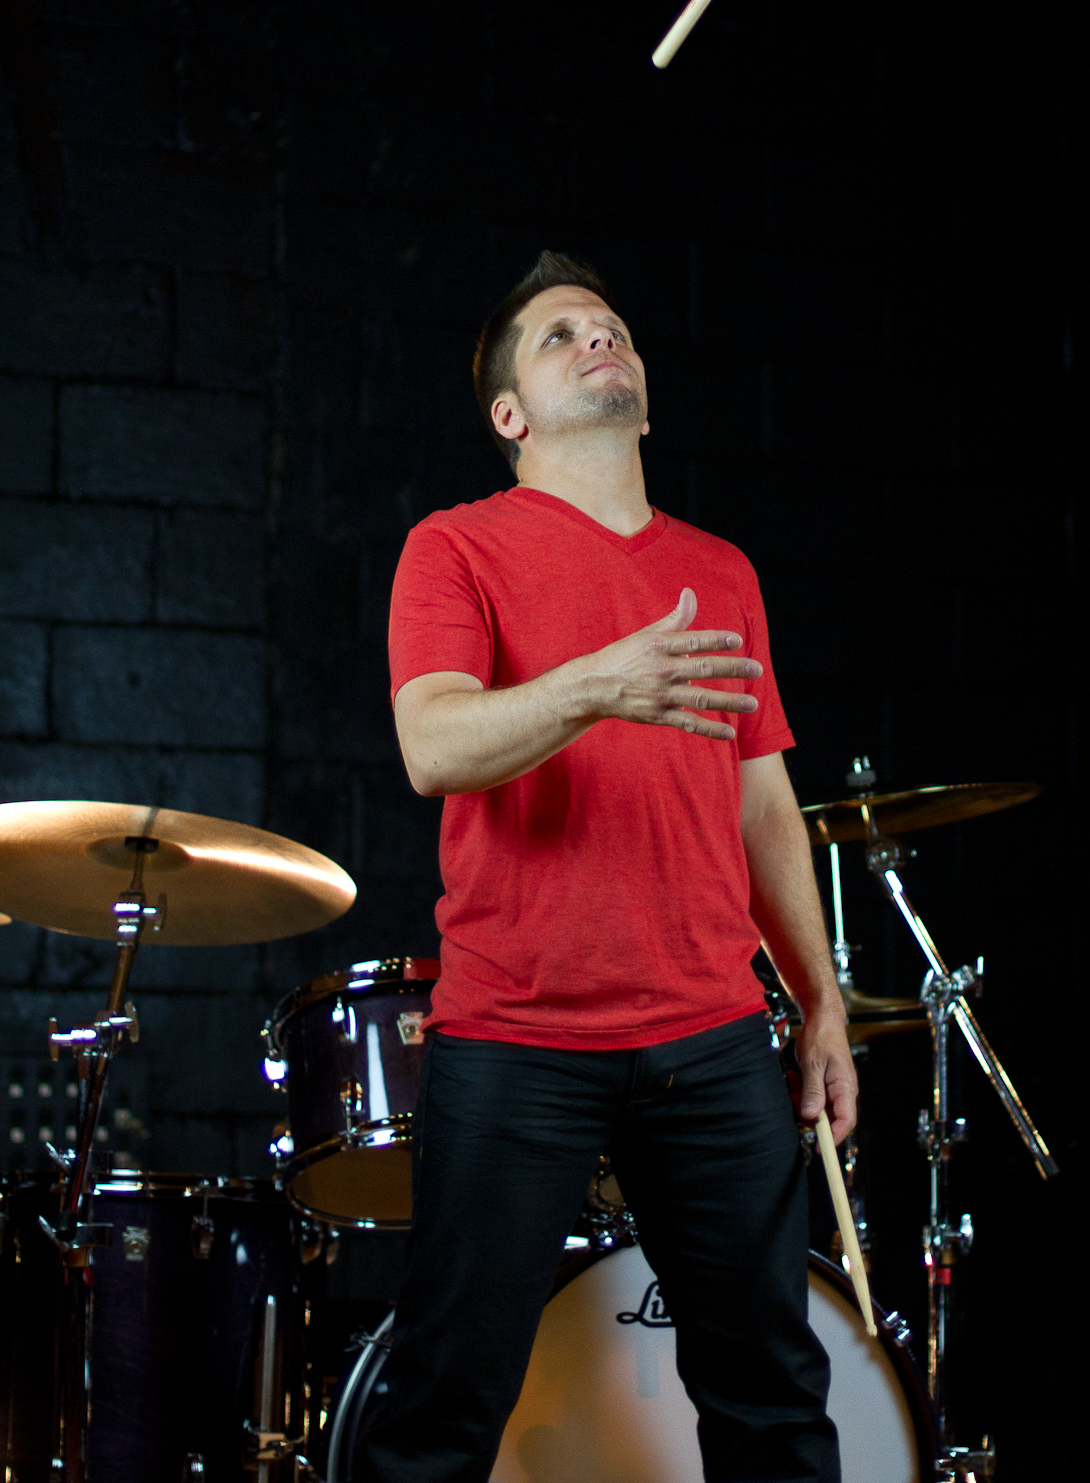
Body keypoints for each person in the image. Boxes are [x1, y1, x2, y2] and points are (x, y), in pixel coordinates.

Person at [356, 250, 856, 1483]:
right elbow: (432, 745)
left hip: (712, 1038)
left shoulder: (721, 570)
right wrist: (598, 685)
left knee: (775, 1403)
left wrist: (821, 1000)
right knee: (440, 1409)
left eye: (612, 326)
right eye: (560, 334)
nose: (598, 338)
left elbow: (761, 803)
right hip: (515, 1034)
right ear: (508, 415)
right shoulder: (453, 547)